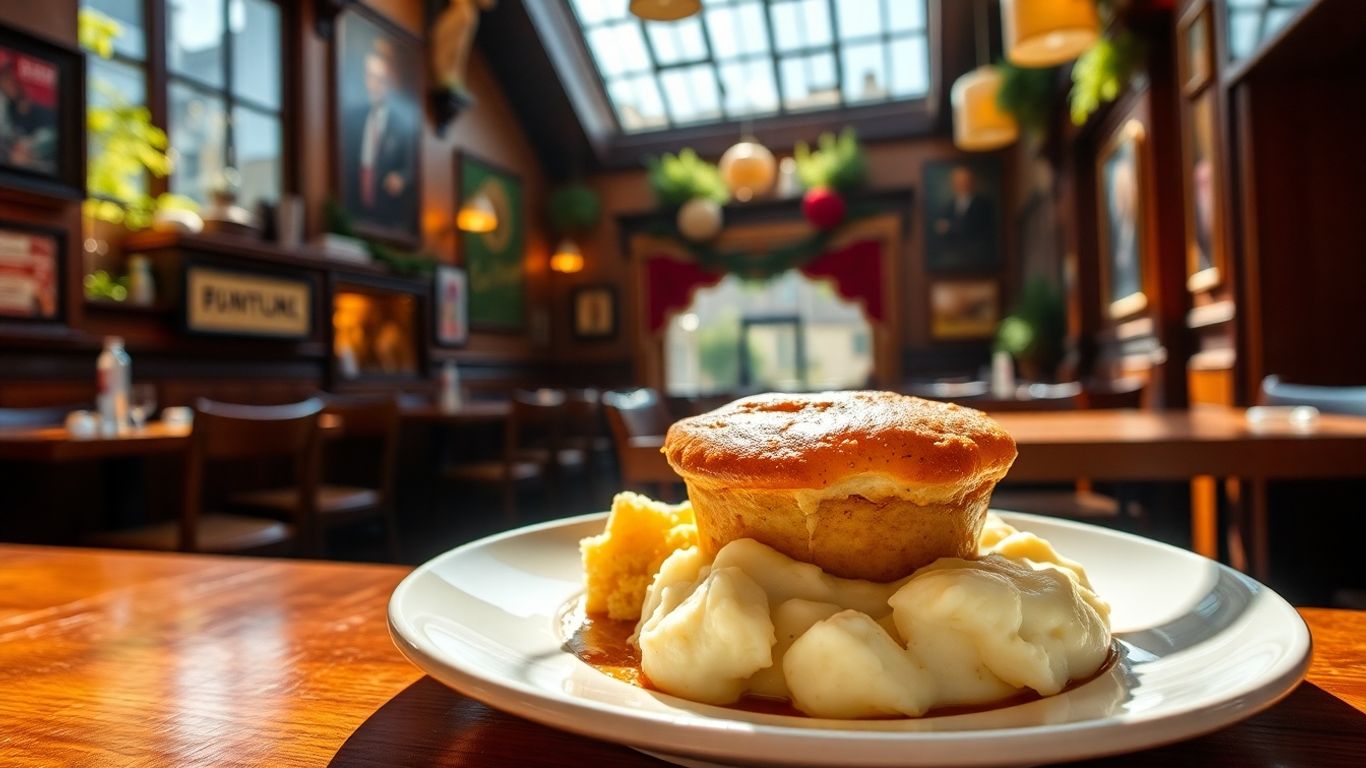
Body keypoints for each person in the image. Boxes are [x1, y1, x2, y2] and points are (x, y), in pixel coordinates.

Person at [345, 37, 416, 227]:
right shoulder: (351, 120)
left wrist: (402, 178)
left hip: (388, 215)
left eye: (380, 79)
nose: (374, 84)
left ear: (390, 82)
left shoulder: (403, 125)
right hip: (355, 209)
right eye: (370, 76)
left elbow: (411, 168)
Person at [931, 165, 996, 268]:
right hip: (953, 253)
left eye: (965, 181)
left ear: (971, 183)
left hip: (976, 252)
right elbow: (940, 229)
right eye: (958, 182)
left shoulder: (983, 204)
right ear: (953, 184)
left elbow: (978, 227)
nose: (962, 185)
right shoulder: (948, 206)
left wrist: (950, 227)